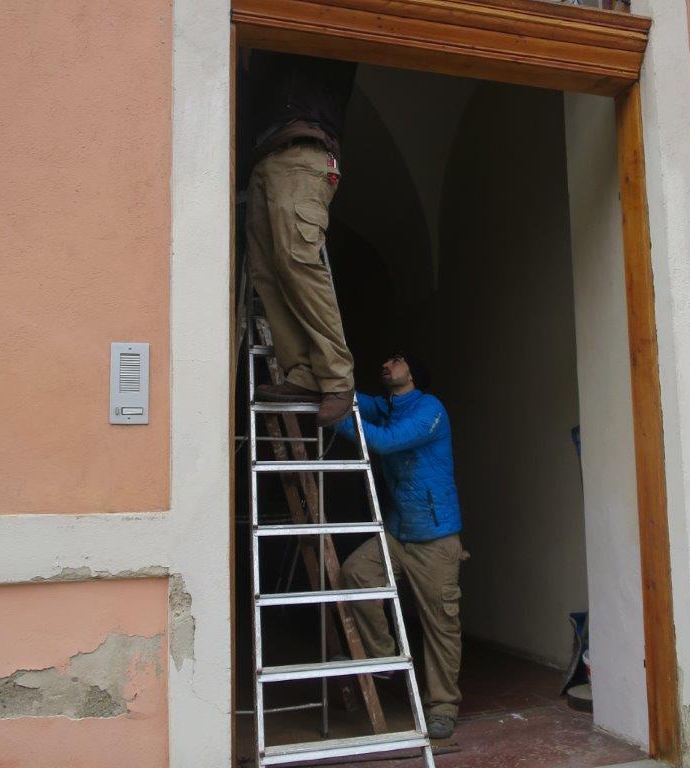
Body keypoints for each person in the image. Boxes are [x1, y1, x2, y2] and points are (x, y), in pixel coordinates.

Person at [337, 352, 464, 740]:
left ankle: (443, 706)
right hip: (398, 533)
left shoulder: (429, 410)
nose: (387, 365)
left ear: (413, 375)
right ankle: (384, 657)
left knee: (440, 624)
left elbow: (385, 442)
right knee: (356, 572)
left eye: (396, 361)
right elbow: (350, 399)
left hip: (435, 540)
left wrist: (335, 419)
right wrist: (325, 388)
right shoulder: (388, 406)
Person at [245, 51, 357, 427]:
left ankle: (337, 378)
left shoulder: (318, 38)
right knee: (266, 272)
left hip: (304, 153)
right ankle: (303, 374)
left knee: (297, 261)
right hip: (266, 159)